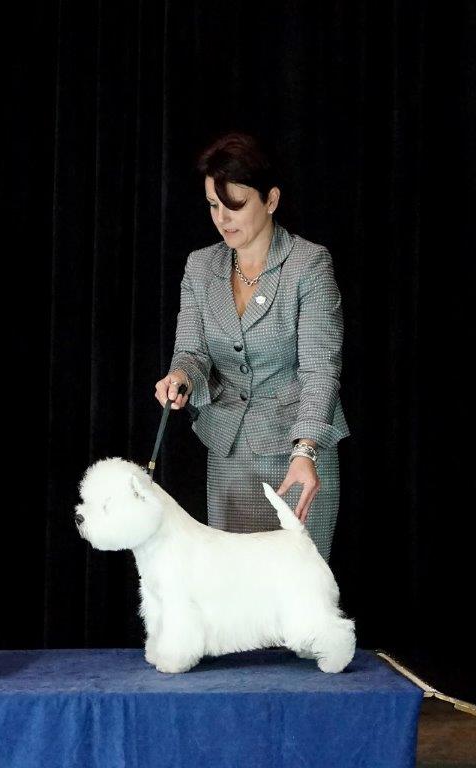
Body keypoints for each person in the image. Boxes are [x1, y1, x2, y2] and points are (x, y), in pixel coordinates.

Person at [154, 132, 349, 561]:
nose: (222, 218)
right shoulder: (200, 266)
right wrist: (181, 375)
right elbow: (191, 351)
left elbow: (320, 370)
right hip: (230, 459)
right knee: (233, 609)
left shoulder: (309, 265)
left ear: (271, 200)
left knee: (295, 610)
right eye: (212, 204)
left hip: (298, 460)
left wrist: (306, 451)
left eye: (235, 205)